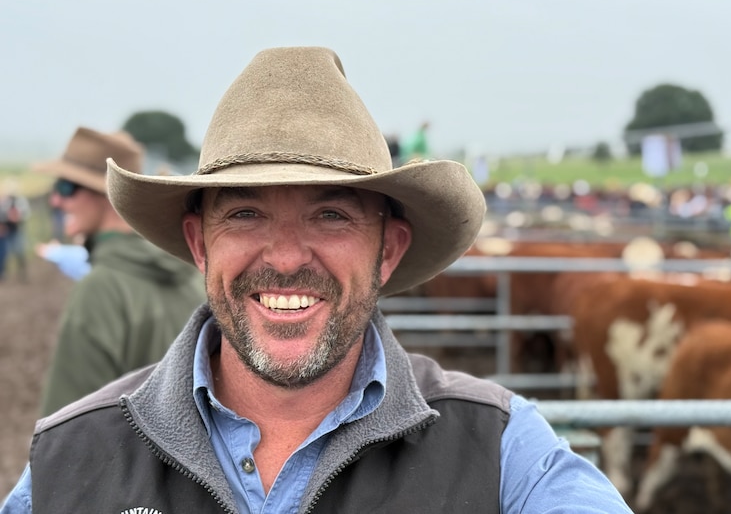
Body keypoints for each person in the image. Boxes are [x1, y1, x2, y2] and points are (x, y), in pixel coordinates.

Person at [2, 47, 633, 513]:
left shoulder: (500, 449)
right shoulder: (69, 460)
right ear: (200, 244)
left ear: (388, 252)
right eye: (245, 213)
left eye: (331, 215)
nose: (284, 256)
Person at [29, 127, 207, 416]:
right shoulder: (195, 274)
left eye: (66, 187)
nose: (56, 200)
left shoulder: (100, 290)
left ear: (107, 194)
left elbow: (64, 435)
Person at [0, 181, 30, 282]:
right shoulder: (5, 202)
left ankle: (22, 273)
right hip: (7, 231)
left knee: (19, 251)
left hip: (17, 230)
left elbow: (25, 214)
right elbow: (2, 215)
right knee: (4, 254)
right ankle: (3, 273)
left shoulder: (21, 202)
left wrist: (18, 217)